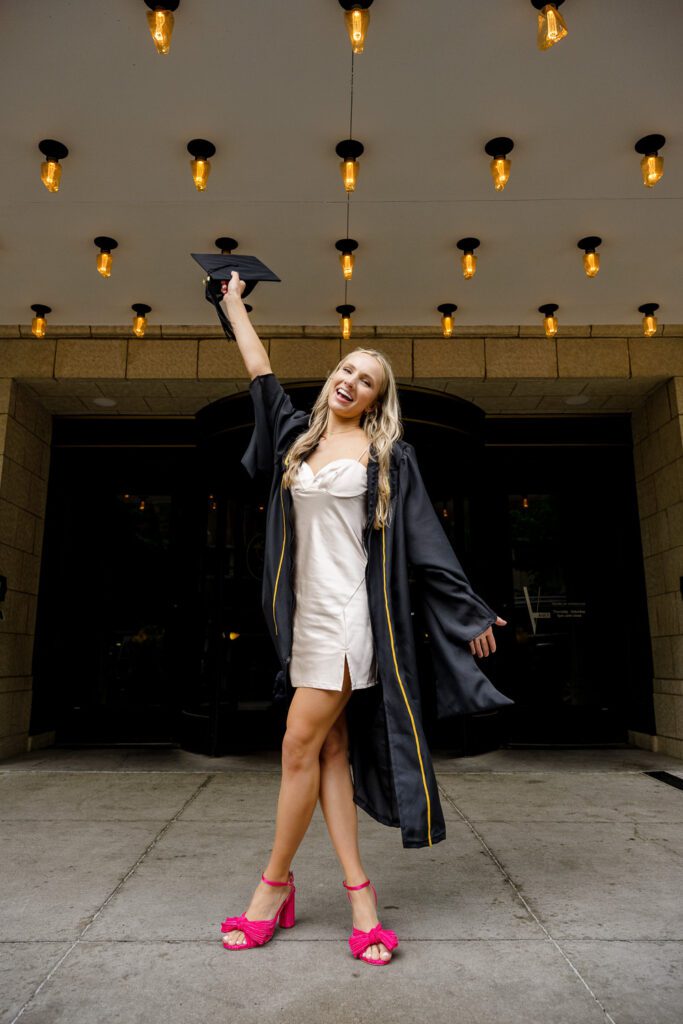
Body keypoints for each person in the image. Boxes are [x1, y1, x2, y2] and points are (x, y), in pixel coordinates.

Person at [218, 272, 511, 965]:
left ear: (377, 401)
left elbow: (423, 540)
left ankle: (271, 890)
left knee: (295, 746)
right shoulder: (296, 437)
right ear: (331, 378)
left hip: (351, 620)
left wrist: (466, 610)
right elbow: (260, 372)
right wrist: (232, 303)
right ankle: (359, 899)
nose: (352, 380)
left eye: (367, 379)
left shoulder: (387, 457)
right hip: (303, 616)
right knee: (328, 752)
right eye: (347, 369)